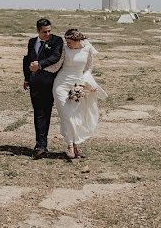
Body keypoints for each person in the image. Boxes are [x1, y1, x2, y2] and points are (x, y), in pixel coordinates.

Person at [52, 28, 106, 160]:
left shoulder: (88, 49)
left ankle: (75, 145)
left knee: (75, 115)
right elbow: (57, 65)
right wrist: (40, 68)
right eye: (67, 42)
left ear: (78, 41)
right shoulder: (65, 49)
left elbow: (89, 68)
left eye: (70, 42)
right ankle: (70, 145)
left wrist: (82, 84)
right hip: (61, 84)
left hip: (77, 85)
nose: (68, 44)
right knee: (66, 115)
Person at [22, 17, 64, 159]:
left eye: (49, 31)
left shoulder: (56, 41)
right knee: (38, 113)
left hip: (51, 83)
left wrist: (40, 65)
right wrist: (27, 78)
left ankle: (43, 145)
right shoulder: (32, 42)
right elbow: (27, 59)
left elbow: (55, 57)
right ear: (38, 31)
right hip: (35, 83)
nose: (47, 34)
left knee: (46, 113)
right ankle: (40, 145)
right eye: (44, 32)